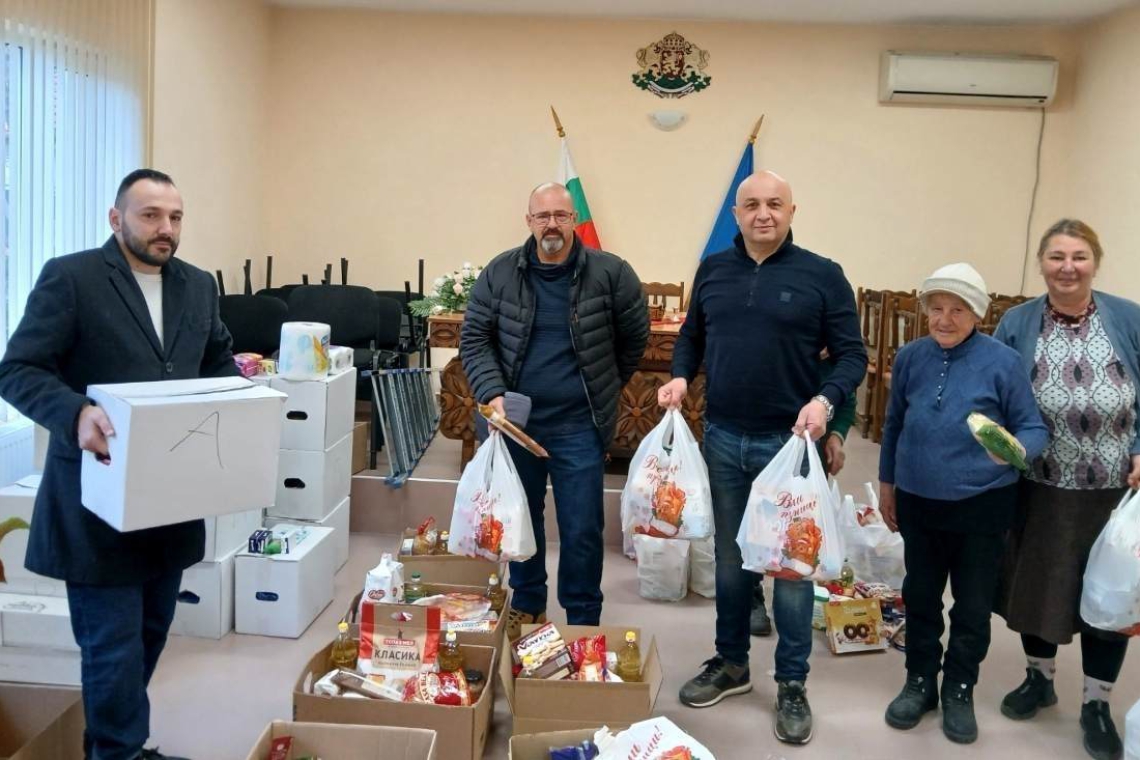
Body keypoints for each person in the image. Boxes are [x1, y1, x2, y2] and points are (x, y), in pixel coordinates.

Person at [0, 169, 237, 760]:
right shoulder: (72, 277)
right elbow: (19, 369)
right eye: (150, 215)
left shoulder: (197, 286)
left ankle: (114, 746)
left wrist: (243, 399)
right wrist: (75, 413)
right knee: (111, 648)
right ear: (116, 218)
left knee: (150, 636)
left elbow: (216, 362)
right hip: (95, 502)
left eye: (175, 217)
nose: (165, 228)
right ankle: (118, 751)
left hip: (170, 502)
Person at [658, 170, 867, 745]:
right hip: (724, 437)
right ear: (737, 213)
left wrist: (826, 403)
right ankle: (732, 663)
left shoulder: (822, 275)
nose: (763, 214)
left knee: (792, 571)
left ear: (792, 211)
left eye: (775, 204)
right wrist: (681, 376)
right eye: (751, 204)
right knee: (731, 562)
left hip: (791, 448)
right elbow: (691, 337)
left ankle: (792, 683)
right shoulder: (713, 270)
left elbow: (852, 356)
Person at [460, 182, 649, 640]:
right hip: (516, 426)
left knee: (582, 529)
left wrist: (602, 388)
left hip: (579, 426)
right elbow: (475, 339)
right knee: (520, 520)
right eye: (542, 216)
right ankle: (528, 607)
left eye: (560, 215)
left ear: (573, 220)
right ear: (528, 221)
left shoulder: (612, 273)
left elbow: (633, 340)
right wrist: (493, 391)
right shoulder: (499, 272)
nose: (551, 224)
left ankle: (582, 619)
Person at [878, 263, 1048, 745]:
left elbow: (1033, 427)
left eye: (957, 310)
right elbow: (894, 424)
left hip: (982, 505)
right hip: (918, 500)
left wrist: (1014, 450)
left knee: (972, 606)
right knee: (921, 596)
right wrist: (888, 484)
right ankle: (919, 682)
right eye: (936, 309)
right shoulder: (911, 357)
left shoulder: (1003, 362)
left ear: (977, 314)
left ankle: (959, 687)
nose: (945, 319)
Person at [994, 219, 1140, 760]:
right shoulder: (1016, 322)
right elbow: (996, 390)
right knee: (1038, 589)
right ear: (1042, 264)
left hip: (1113, 488)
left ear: (1095, 262)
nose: (1068, 267)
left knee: (1109, 597)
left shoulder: (1128, 317)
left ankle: (1096, 703)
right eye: (1056, 257)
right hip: (1041, 483)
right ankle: (1040, 678)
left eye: (1079, 256)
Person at [751, 351, 855, 637]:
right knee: (760, 524)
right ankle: (753, 594)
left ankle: (791, 616)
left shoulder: (834, 354)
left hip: (809, 447)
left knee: (801, 530)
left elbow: (846, 398)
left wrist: (836, 436)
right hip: (764, 437)